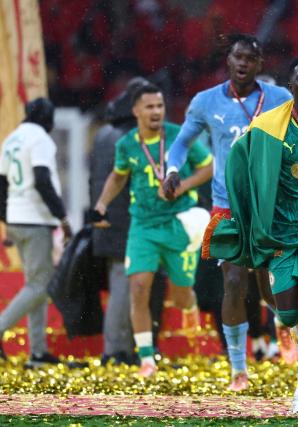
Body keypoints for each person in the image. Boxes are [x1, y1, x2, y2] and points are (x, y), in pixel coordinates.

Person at [201, 55, 298, 415]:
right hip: (280, 235)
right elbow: (237, 164)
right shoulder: (267, 126)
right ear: (290, 88)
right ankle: (281, 322)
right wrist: (244, 217)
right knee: (289, 314)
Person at [163, 34, 293, 391]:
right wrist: (173, 170)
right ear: (228, 60)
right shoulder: (206, 102)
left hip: (268, 207)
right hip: (226, 206)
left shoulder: (281, 99)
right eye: (238, 56)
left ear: (260, 64)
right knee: (233, 282)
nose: (243, 63)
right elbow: (181, 144)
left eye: (251, 58)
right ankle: (238, 369)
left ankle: (284, 322)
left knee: (268, 283)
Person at [94, 83, 213, 377]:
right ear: (136, 111)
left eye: (159, 106)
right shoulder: (126, 145)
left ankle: (190, 303)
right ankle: (146, 359)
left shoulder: (179, 136)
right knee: (138, 288)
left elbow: (209, 167)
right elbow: (118, 177)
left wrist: (181, 185)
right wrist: (101, 204)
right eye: (149, 107)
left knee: (182, 295)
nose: (156, 111)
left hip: (179, 224)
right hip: (143, 226)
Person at [90, 77, 167, 365]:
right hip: (128, 224)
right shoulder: (132, 140)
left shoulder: (102, 134)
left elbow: (94, 180)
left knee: (119, 284)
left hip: (107, 222)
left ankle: (118, 347)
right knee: (124, 286)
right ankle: (115, 351)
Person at [0, 98, 72, 367]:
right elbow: (42, 179)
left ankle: (38, 352)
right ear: (47, 118)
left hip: (17, 220)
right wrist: (62, 216)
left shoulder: (12, 139)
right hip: (35, 219)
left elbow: (1, 185)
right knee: (40, 285)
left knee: (35, 286)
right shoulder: (40, 138)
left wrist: (7, 219)